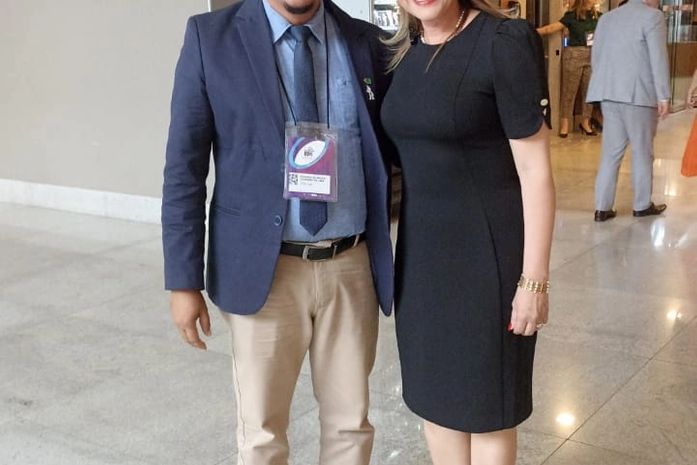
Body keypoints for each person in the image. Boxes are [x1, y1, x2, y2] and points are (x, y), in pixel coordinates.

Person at [161, 0, 396, 464]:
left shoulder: (365, 42)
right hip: (266, 271)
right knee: (262, 433)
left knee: (350, 425)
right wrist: (183, 281)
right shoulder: (212, 39)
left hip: (351, 266)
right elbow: (184, 168)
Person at [380, 0, 555, 464]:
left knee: (487, 409)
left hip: (487, 261)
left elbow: (536, 172)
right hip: (421, 262)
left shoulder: (503, 42)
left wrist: (534, 282)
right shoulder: (404, 51)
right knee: (435, 401)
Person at [586, 0, 670, 222]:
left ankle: (602, 208)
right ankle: (642, 205)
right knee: (642, 151)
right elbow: (658, 58)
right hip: (638, 95)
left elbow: (596, 56)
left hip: (609, 92)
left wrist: (604, 84)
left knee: (610, 153)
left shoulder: (607, 18)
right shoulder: (653, 17)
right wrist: (663, 95)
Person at [537, 0, 601, 137]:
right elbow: (552, 28)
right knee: (569, 91)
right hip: (574, 55)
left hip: (592, 55)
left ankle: (585, 121)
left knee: (589, 92)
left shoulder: (599, 16)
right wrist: (533, 32)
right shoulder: (571, 16)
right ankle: (565, 123)